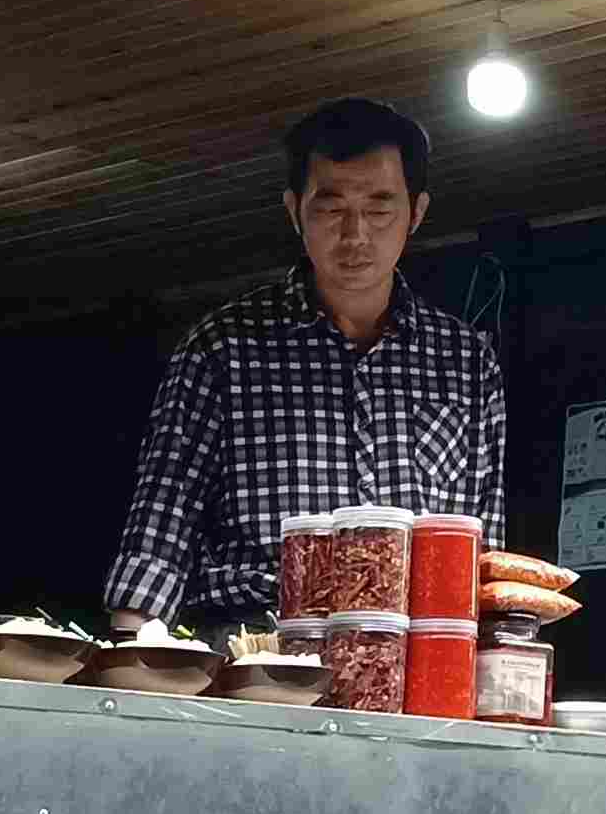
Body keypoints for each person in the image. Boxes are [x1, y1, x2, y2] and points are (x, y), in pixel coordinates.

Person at [103, 95, 505, 631]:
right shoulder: (223, 347)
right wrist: (130, 649)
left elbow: (481, 543)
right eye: (331, 208)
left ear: (417, 213)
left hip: (414, 641)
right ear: (295, 211)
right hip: (254, 636)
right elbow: (163, 517)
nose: (355, 234)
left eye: (379, 209)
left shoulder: (465, 360)